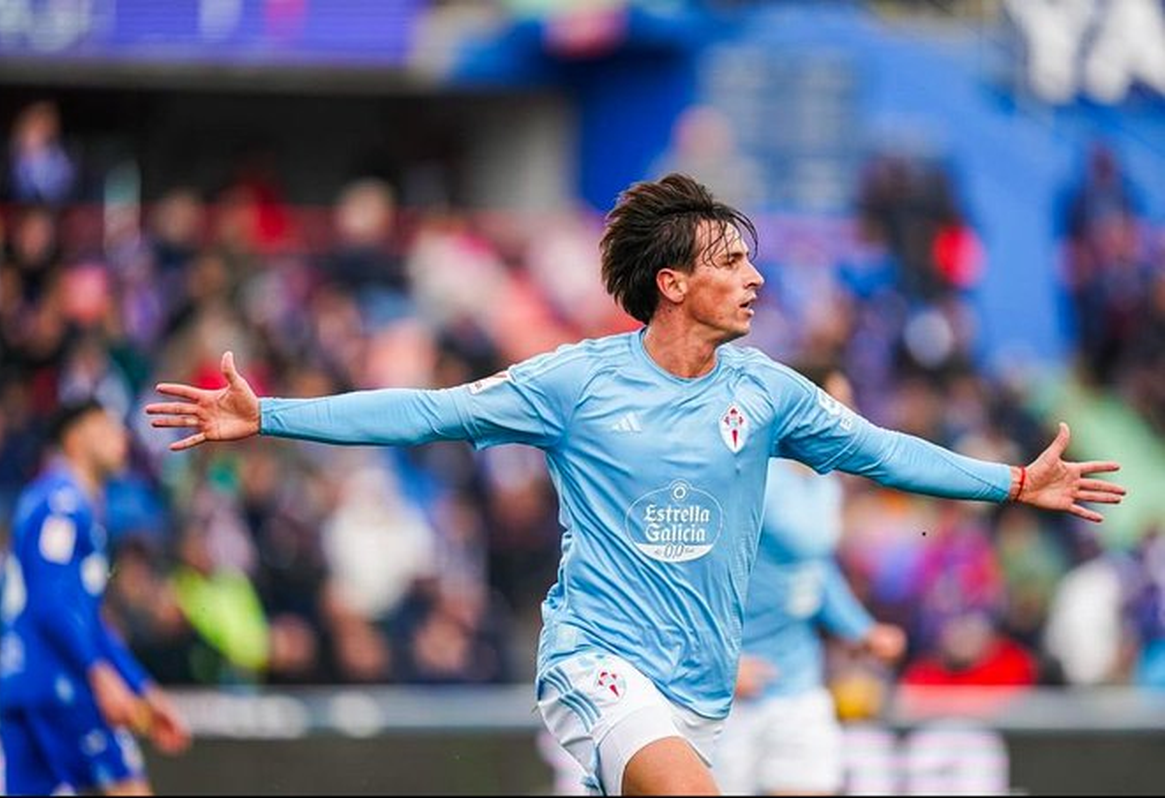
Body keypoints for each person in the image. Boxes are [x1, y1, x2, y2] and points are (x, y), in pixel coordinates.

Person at [147, 174, 1124, 796]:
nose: (755, 279)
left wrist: (1009, 481)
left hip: (702, 693)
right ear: (671, 282)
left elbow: (879, 448)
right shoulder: (576, 382)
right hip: (596, 661)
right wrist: (268, 414)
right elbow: (430, 411)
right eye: (730, 261)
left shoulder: (768, 394)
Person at [712, 367, 906, 796]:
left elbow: (816, 570)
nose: (850, 416)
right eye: (837, 404)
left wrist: (860, 629)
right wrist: (718, 666)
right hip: (728, 694)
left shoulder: (826, 485)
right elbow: (690, 578)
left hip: (798, 681)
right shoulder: (746, 480)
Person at [0, 399, 190, 796]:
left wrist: (142, 688)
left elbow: (85, 619)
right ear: (76, 437)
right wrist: (98, 675)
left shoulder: (57, 502)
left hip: (22, 683)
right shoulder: (63, 505)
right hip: (60, 683)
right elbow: (52, 604)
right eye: (107, 427)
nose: (121, 438)